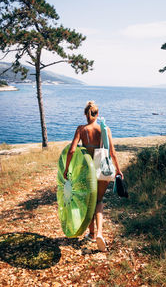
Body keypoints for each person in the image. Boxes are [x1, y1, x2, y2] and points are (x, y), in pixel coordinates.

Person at [63, 101, 123, 251]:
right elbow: (113, 153)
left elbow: (71, 150)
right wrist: (118, 170)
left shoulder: (81, 129)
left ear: (85, 114)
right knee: (99, 200)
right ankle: (100, 233)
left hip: (86, 170)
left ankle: (91, 233)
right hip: (102, 168)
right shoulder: (105, 129)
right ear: (97, 114)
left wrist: (66, 168)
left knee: (87, 201)